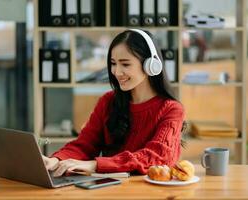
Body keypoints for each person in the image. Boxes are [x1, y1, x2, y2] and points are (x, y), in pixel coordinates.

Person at [43, 29, 185, 177]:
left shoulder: (171, 109)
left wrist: (96, 165)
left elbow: (155, 157)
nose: (116, 72)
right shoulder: (108, 101)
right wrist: (57, 160)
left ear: (150, 64)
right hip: (108, 189)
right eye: (113, 63)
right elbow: (85, 144)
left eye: (125, 64)